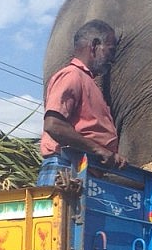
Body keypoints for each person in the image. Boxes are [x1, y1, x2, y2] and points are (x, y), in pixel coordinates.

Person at [37, 19, 127, 184]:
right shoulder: (72, 75)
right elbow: (53, 125)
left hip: (83, 169)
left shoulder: (87, 81)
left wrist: (110, 154)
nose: (112, 59)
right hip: (66, 171)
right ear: (94, 46)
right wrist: (98, 149)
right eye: (110, 51)